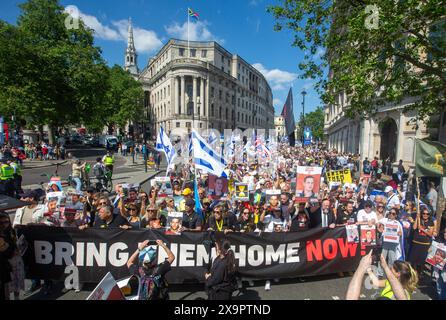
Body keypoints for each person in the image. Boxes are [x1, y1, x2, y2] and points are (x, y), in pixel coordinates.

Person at [346, 251, 418, 300]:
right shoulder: (389, 282)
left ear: (398, 274)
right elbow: (376, 283)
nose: (389, 269)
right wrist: (368, 270)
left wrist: (361, 268)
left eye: (391, 268)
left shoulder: (404, 293)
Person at [408, 208, 435, 276]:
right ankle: (413, 275)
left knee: (420, 263)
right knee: (412, 262)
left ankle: (419, 275)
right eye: (424, 213)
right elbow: (414, 228)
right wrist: (417, 218)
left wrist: (422, 229)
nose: (425, 215)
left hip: (424, 245)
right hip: (416, 243)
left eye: (427, 214)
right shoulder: (419, 220)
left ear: (429, 215)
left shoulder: (430, 222)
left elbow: (430, 234)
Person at [0, 213, 15, 301]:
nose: (3, 224)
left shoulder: (9, 232)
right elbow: (7, 252)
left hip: (5, 268)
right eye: (1, 223)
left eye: (6, 222)